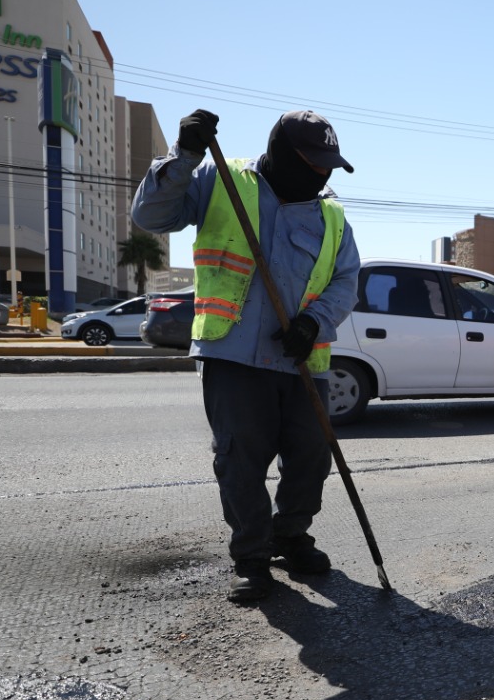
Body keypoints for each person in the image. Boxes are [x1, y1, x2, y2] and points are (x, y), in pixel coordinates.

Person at [132, 109, 361, 603]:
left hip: (303, 360)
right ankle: (252, 557)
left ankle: (290, 535)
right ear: (282, 152)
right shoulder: (219, 179)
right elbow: (151, 217)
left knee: (311, 457)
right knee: (240, 462)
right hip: (234, 355)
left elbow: (346, 282)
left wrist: (313, 323)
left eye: (327, 165)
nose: (321, 174)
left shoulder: (331, 217)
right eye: (312, 162)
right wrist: (184, 155)